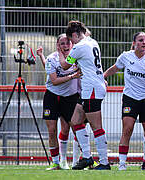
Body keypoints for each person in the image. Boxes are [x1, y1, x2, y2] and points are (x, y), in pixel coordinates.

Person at [103, 32, 145, 171]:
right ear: (134, 43)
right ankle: (122, 164)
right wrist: (102, 76)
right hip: (130, 98)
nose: (144, 42)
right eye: (141, 40)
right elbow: (115, 68)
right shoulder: (126, 56)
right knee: (127, 129)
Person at [60, 20, 110, 170]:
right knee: (75, 121)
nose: (70, 44)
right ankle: (87, 157)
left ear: (75, 35)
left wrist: (60, 51)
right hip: (91, 87)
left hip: (92, 88)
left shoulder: (79, 47)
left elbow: (64, 66)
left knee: (96, 127)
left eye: (71, 40)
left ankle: (104, 162)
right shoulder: (92, 41)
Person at [38, 34, 81, 170]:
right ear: (58, 45)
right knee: (52, 130)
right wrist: (72, 76)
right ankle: (56, 162)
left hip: (70, 97)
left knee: (76, 128)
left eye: (68, 42)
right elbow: (55, 81)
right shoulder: (52, 58)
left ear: (72, 44)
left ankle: (82, 160)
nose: (65, 45)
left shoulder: (77, 58)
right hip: (53, 96)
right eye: (62, 43)